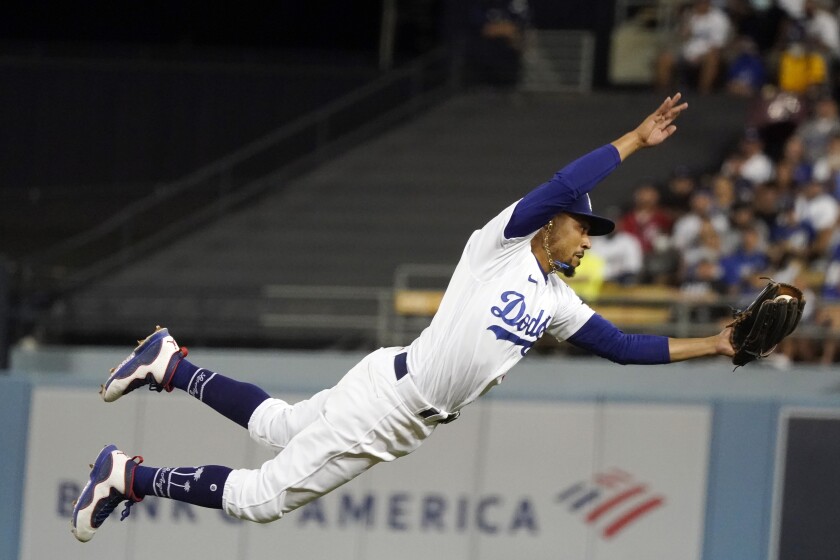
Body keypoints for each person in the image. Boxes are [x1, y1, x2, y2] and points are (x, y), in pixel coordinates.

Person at [70, 94, 736, 543]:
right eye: (583, 229)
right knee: (260, 500)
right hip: (393, 401)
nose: (588, 240)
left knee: (275, 424)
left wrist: (715, 342)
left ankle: (170, 364)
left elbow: (623, 346)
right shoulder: (498, 247)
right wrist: (636, 140)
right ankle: (129, 476)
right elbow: (565, 183)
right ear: (551, 227)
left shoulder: (560, 301)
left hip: (392, 387)